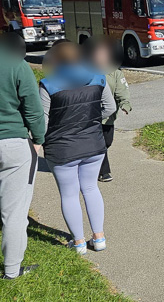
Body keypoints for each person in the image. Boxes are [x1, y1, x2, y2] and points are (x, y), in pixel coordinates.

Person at [39, 42, 116, 255]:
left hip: (61, 148)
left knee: (69, 194)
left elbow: (43, 122)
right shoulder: (99, 77)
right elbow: (110, 107)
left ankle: (79, 242)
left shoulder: (48, 84)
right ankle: (99, 238)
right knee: (91, 188)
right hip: (93, 143)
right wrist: (89, 121)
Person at [0, 33, 45, 279]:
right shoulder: (18, 66)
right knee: (14, 212)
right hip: (12, 144)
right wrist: (39, 139)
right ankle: (11, 270)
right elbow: (33, 109)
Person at [84, 39, 131, 183]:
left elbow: (122, 91)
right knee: (99, 144)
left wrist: (125, 104)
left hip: (108, 115)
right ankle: (104, 172)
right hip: (90, 114)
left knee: (107, 142)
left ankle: (90, 162)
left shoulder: (115, 73)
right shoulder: (85, 71)